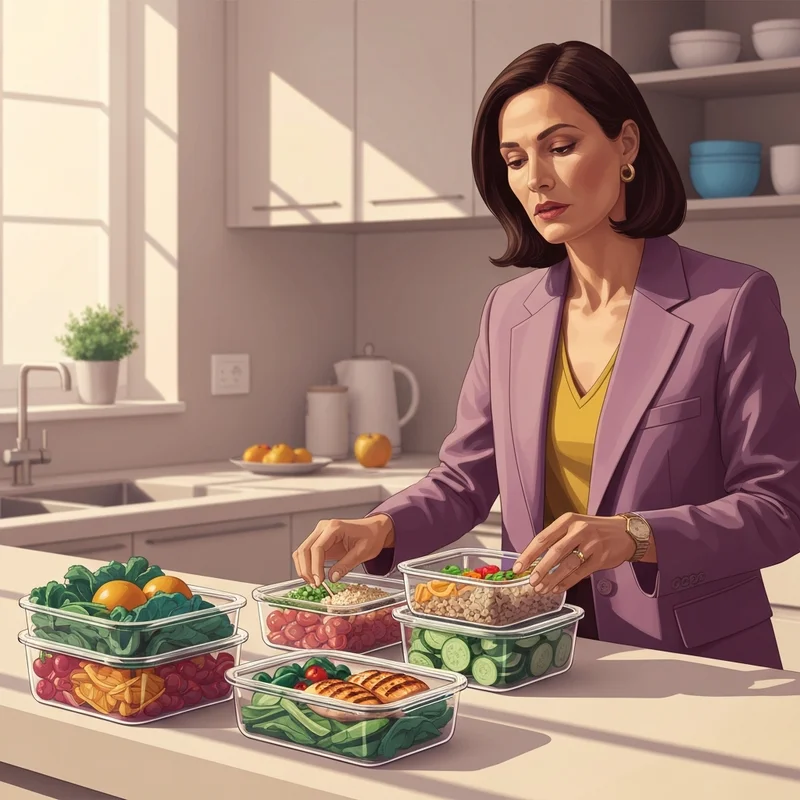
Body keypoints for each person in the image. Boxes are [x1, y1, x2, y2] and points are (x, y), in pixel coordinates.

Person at [292, 41, 800, 670]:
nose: (535, 178)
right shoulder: (508, 313)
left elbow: (779, 506)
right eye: (514, 159)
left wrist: (636, 536)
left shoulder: (730, 303)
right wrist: (380, 529)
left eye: (560, 147)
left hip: (698, 661)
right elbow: (464, 479)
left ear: (627, 145)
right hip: (535, 650)